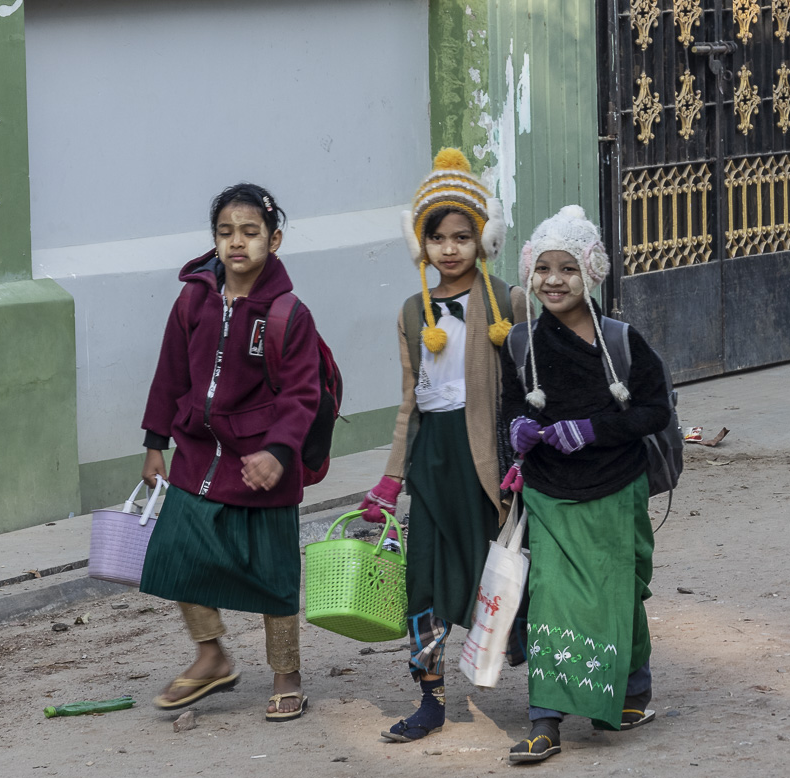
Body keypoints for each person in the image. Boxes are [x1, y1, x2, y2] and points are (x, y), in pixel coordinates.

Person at [359, 148, 528, 742]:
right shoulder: (412, 312)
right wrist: (391, 478)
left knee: (501, 571)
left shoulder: (508, 301)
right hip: (433, 462)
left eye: (462, 236)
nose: (449, 249)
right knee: (424, 579)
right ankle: (429, 696)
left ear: (484, 239)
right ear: (421, 244)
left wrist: (526, 459)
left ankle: (537, 680)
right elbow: (410, 400)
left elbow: (526, 391)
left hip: (487, 466)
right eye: (437, 238)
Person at [138, 183, 323, 722]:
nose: (236, 242)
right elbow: (170, 373)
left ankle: (286, 676)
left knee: (273, 575)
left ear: (274, 240)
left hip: (264, 464)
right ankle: (212, 655)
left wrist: (279, 451)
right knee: (176, 553)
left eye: (249, 232)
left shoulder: (289, 313)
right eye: (225, 232)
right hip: (198, 453)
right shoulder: (192, 300)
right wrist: (155, 443)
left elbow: (303, 394)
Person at [500, 205, 671, 764]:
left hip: (616, 489)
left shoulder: (622, 341)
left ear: (591, 272)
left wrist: (592, 430)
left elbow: (654, 411)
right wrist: (518, 430)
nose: (554, 281)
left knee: (620, 592)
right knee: (550, 600)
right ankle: (544, 720)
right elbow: (510, 405)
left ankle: (632, 689)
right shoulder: (521, 343)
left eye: (568, 269)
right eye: (543, 268)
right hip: (549, 492)